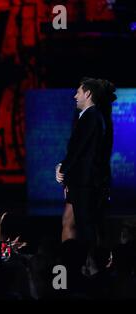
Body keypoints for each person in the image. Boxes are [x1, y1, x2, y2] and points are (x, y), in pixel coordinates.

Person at [56, 77, 112, 248]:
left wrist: (62, 170)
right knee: (70, 220)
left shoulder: (92, 117)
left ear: (87, 94)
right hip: (80, 181)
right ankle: (72, 259)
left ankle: (88, 264)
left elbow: (79, 151)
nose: (75, 96)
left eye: (78, 92)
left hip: (86, 183)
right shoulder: (90, 117)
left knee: (86, 227)